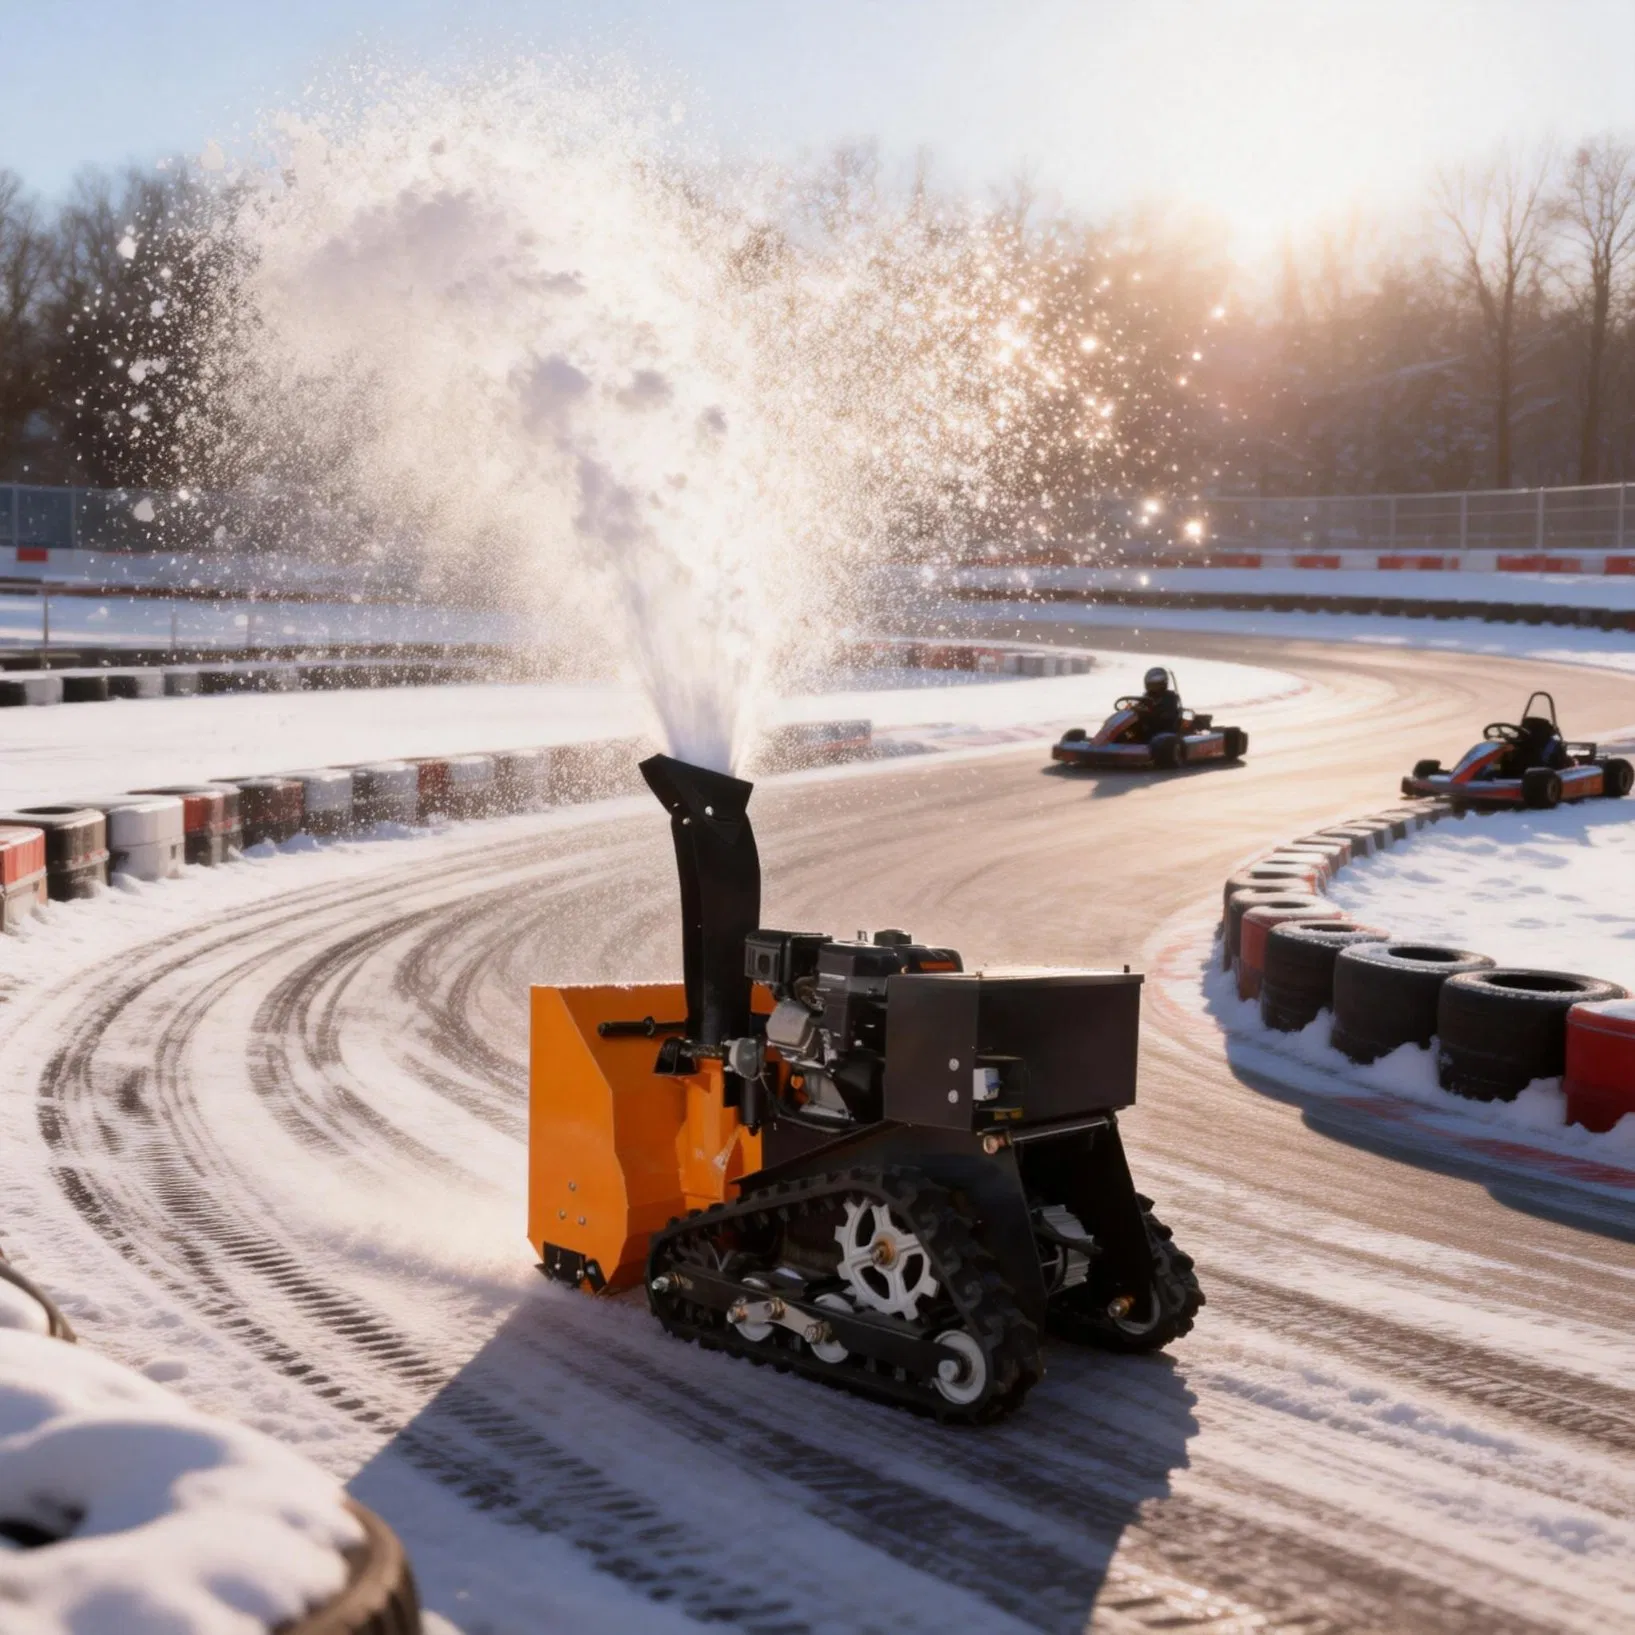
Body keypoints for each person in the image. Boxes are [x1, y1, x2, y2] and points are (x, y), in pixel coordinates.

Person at [1133, 667, 1183, 739]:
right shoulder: (1146, 697)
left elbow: (1168, 718)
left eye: (1156, 685)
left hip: (1164, 733)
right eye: (1151, 685)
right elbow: (1141, 708)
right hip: (1147, 731)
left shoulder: (1170, 697)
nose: (1153, 688)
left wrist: (1149, 714)